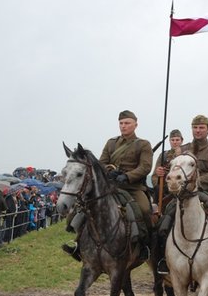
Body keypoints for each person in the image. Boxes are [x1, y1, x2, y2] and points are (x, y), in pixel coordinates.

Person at [62, 110, 153, 261]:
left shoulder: (143, 144)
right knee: (84, 207)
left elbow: (145, 167)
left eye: (127, 123)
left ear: (135, 125)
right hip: (110, 186)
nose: (123, 126)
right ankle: (79, 244)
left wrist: (127, 176)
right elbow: (101, 163)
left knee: (144, 209)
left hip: (132, 187)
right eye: (121, 123)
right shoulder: (111, 143)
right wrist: (108, 173)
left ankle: (145, 246)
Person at [156, 115, 208, 274]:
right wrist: (161, 171)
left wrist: (195, 183)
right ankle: (163, 260)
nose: (198, 131)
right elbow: (172, 168)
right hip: (183, 195)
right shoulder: (181, 150)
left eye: (201, 128)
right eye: (195, 127)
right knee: (163, 223)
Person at [152, 129, 184, 211]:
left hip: (181, 187)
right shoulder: (163, 155)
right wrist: (157, 184)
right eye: (172, 140)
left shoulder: (186, 155)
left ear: (181, 141)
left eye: (177, 140)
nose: (175, 142)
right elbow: (154, 176)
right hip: (164, 189)